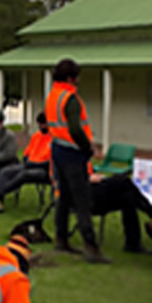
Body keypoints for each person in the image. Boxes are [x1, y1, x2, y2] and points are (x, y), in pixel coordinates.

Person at [45, 58, 109, 263]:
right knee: (82, 201)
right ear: (72, 78)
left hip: (57, 149)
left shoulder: (52, 95)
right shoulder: (70, 98)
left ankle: (61, 238)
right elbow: (75, 128)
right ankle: (91, 247)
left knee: (63, 198)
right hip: (73, 154)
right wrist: (87, 146)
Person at [0, 112, 53, 213]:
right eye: (40, 124)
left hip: (46, 171)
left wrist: (33, 164)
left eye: (44, 124)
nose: (41, 126)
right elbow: (26, 153)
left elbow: (52, 162)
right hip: (29, 165)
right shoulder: (36, 136)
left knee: (24, 174)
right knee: (6, 171)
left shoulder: (56, 138)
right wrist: (27, 161)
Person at [88, 170, 152, 254]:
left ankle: (133, 242)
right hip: (83, 196)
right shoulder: (74, 160)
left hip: (93, 190)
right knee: (124, 182)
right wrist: (88, 178)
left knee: (128, 197)